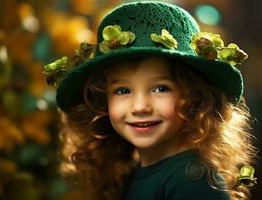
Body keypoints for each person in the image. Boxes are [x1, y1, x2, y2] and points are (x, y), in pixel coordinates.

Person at [43, 1, 257, 200]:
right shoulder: (131, 173)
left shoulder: (191, 181)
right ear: (101, 102)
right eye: (122, 90)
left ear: (194, 97)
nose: (140, 107)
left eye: (160, 88)